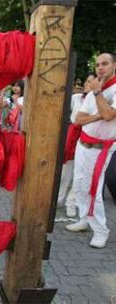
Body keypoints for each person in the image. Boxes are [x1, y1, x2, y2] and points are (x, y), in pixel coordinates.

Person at [66, 53, 116, 248]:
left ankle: (101, 230)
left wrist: (97, 95)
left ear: (114, 66)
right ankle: (85, 218)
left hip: (100, 149)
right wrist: (99, 116)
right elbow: (79, 119)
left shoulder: (103, 90)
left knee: (92, 189)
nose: (100, 68)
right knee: (79, 185)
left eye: (105, 64)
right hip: (83, 145)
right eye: (97, 64)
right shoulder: (97, 86)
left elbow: (108, 113)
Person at [58, 75, 94, 217]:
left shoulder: (98, 100)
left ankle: (71, 202)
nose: (86, 83)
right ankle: (59, 198)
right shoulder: (77, 98)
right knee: (65, 172)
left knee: (79, 175)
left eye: (90, 81)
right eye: (86, 80)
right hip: (72, 135)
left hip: (86, 136)